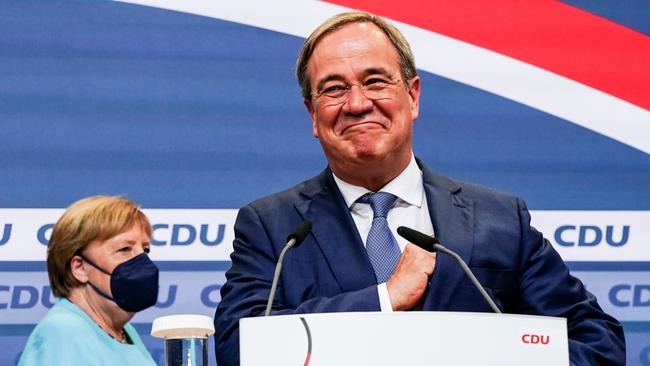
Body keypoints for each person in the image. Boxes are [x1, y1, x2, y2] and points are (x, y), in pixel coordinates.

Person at [214, 11, 625, 366]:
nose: (357, 103)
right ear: (312, 114)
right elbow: (239, 348)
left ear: (412, 96)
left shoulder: (500, 219)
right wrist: (384, 300)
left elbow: (597, 341)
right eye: (334, 88)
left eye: (375, 81)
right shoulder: (272, 227)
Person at [19, 196, 158, 365]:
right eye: (124, 249)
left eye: (145, 250)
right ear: (80, 268)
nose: (142, 261)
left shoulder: (125, 333)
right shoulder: (64, 332)